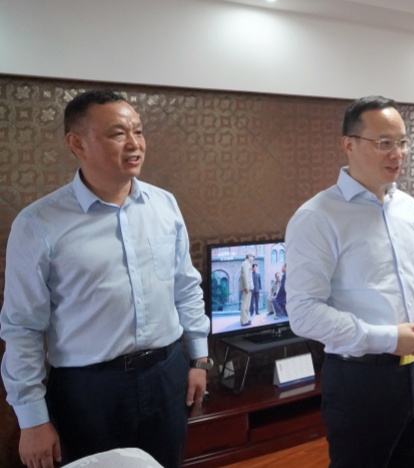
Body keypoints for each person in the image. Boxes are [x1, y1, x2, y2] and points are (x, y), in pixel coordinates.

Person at [0, 89, 211, 468]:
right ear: (76, 143)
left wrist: (200, 358)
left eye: (138, 131)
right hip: (89, 390)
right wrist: (32, 418)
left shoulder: (164, 205)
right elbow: (22, 327)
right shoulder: (37, 224)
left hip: (167, 374)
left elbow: (185, 286)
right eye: (118, 134)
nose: (135, 143)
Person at [286, 95, 414, 468]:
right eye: (384, 143)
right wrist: (389, 338)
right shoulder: (317, 217)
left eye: (403, 142)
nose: (398, 153)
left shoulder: (408, 206)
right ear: (349, 144)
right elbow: (303, 312)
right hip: (359, 379)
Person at [239, 253, 254, 326]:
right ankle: (244, 321)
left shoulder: (247, 264)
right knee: (245, 305)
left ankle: (245, 320)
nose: (253, 258)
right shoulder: (246, 264)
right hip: (246, 288)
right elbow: (245, 276)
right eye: (252, 256)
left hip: (248, 288)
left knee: (247, 305)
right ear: (248, 256)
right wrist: (247, 287)